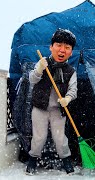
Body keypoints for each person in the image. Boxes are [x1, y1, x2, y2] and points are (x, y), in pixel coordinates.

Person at [25, 29, 77, 175]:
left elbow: (73, 90)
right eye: (59, 45)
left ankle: (66, 160)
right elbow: (32, 79)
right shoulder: (42, 62)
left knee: (60, 138)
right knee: (39, 137)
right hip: (40, 108)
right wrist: (39, 69)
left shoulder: (71, 71)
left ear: (71, 52)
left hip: (57, 110)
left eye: (67, 47)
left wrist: (67, 98)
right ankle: (32, 160)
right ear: (51, 47)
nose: (62, 50)